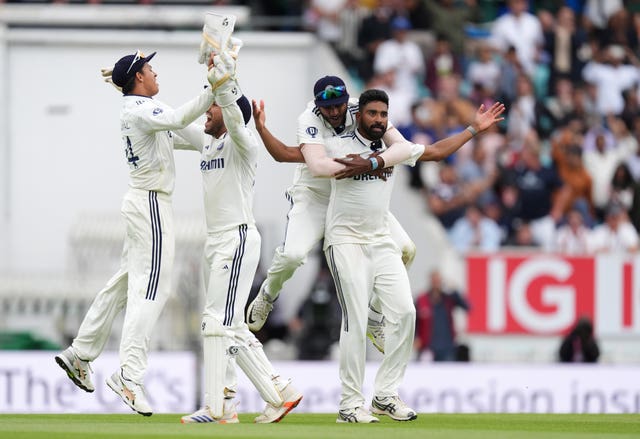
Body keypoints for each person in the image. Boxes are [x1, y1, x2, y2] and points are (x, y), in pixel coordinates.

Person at [299, 89, 504, 422]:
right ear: (359, 114)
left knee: (407, 314)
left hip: (380, 240)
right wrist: (264, 133)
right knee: (355, 319)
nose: (379, 120)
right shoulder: (336, 144)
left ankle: (384, 395)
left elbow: (436, 152)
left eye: (383, 114)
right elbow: (296, 156)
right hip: (344, 240)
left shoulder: (395, 148)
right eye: (372, 114)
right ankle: (350, 404)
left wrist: (473, 129)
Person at [54, 49, 216, 416]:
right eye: (150, 68)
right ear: (139, 78)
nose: (156, 72)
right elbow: (176, 117)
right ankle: (129, 375)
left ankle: (81, 352)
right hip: (152, 206)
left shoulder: (141, 112)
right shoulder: (144, 110)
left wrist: (226, 128)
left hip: (141, 203)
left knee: (126, 283)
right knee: (155, 290)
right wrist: (213, 87)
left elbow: (192, 137)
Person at [172, 52, 302, 424]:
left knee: (217, 321)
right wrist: (137, 98)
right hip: (215, 241)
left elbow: (231, 111)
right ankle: (280, 391)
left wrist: (225, 79)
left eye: (210, 108)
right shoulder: (208, 141)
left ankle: (219, 407)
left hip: (238, 238)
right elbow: (172, 124)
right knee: (229, 325)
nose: (205, 114)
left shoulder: (244, 144)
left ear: (228, 112)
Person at [246, 75, 419, 354]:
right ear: (318, 105)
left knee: (407, 250)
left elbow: (403, 146)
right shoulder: (309, 119)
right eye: (328, 108)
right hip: (316, 198)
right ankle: (268, 293)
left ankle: (375, 315)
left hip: (354, 197)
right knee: (292, 256)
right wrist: (362, 164)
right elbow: (316, 166)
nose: (335, 112)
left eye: (339, 105)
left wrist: (372, 161)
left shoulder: (361, 110)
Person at [414, 270, 470, 362]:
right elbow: (415, 321)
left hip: (447, 346)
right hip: (427, 346)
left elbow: (467, 307)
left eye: (438, 280)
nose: (436, 283)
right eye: (434, 280)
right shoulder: (422, 300)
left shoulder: (449, 298)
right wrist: (415, 338)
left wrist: (455, 290)